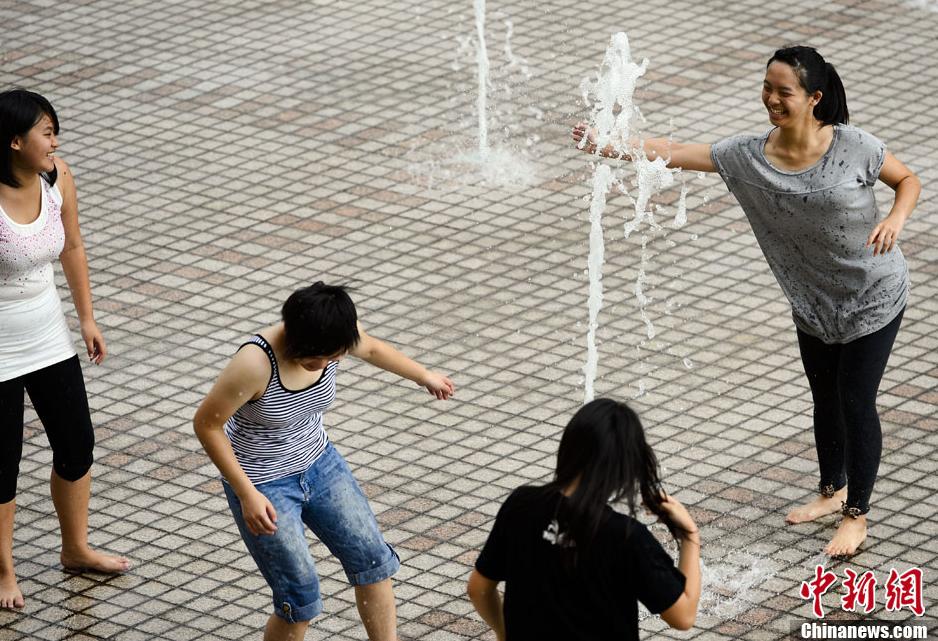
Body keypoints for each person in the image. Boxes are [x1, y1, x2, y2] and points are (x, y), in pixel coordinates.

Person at [573, 46, 920, 557]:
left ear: (814, 98)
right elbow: (679, 151)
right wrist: (608, 145)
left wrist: (895, 219)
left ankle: (856, 514)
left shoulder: (855, 147)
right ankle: (831, 490)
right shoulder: (748, 157)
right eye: (767, 88)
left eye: (785, 92)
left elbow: (907, 180)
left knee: (854, 400)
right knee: (824, 397)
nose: (772, 99)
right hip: (812, 304)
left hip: (875, 295)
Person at [193, 282, 454, 641]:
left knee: (373, 561)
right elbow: (207, 425)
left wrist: (423, 375)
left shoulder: (335, 333)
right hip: (263, 483)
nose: (331, 364)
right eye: (322, 359)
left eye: (337, 356)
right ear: (297, 341)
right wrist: (247, 494)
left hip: (320, 463)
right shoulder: (254, 364)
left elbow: (373, 348)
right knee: (299, 597)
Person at [0, 89, 130, 610]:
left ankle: (75, 547)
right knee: (1, 464)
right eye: (46, 133)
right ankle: (3, 570)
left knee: (77, 443)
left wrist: (87, 318)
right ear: (13, 142)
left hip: (49, 337)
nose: (56, 141)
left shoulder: (57, 179)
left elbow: (72, 244)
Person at [467, 398, 700, 640]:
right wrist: (690, 537)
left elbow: (478, 589)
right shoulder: (626, 537)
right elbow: (682, 616)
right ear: (624, 466)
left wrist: (504, 633)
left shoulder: (521, 504)